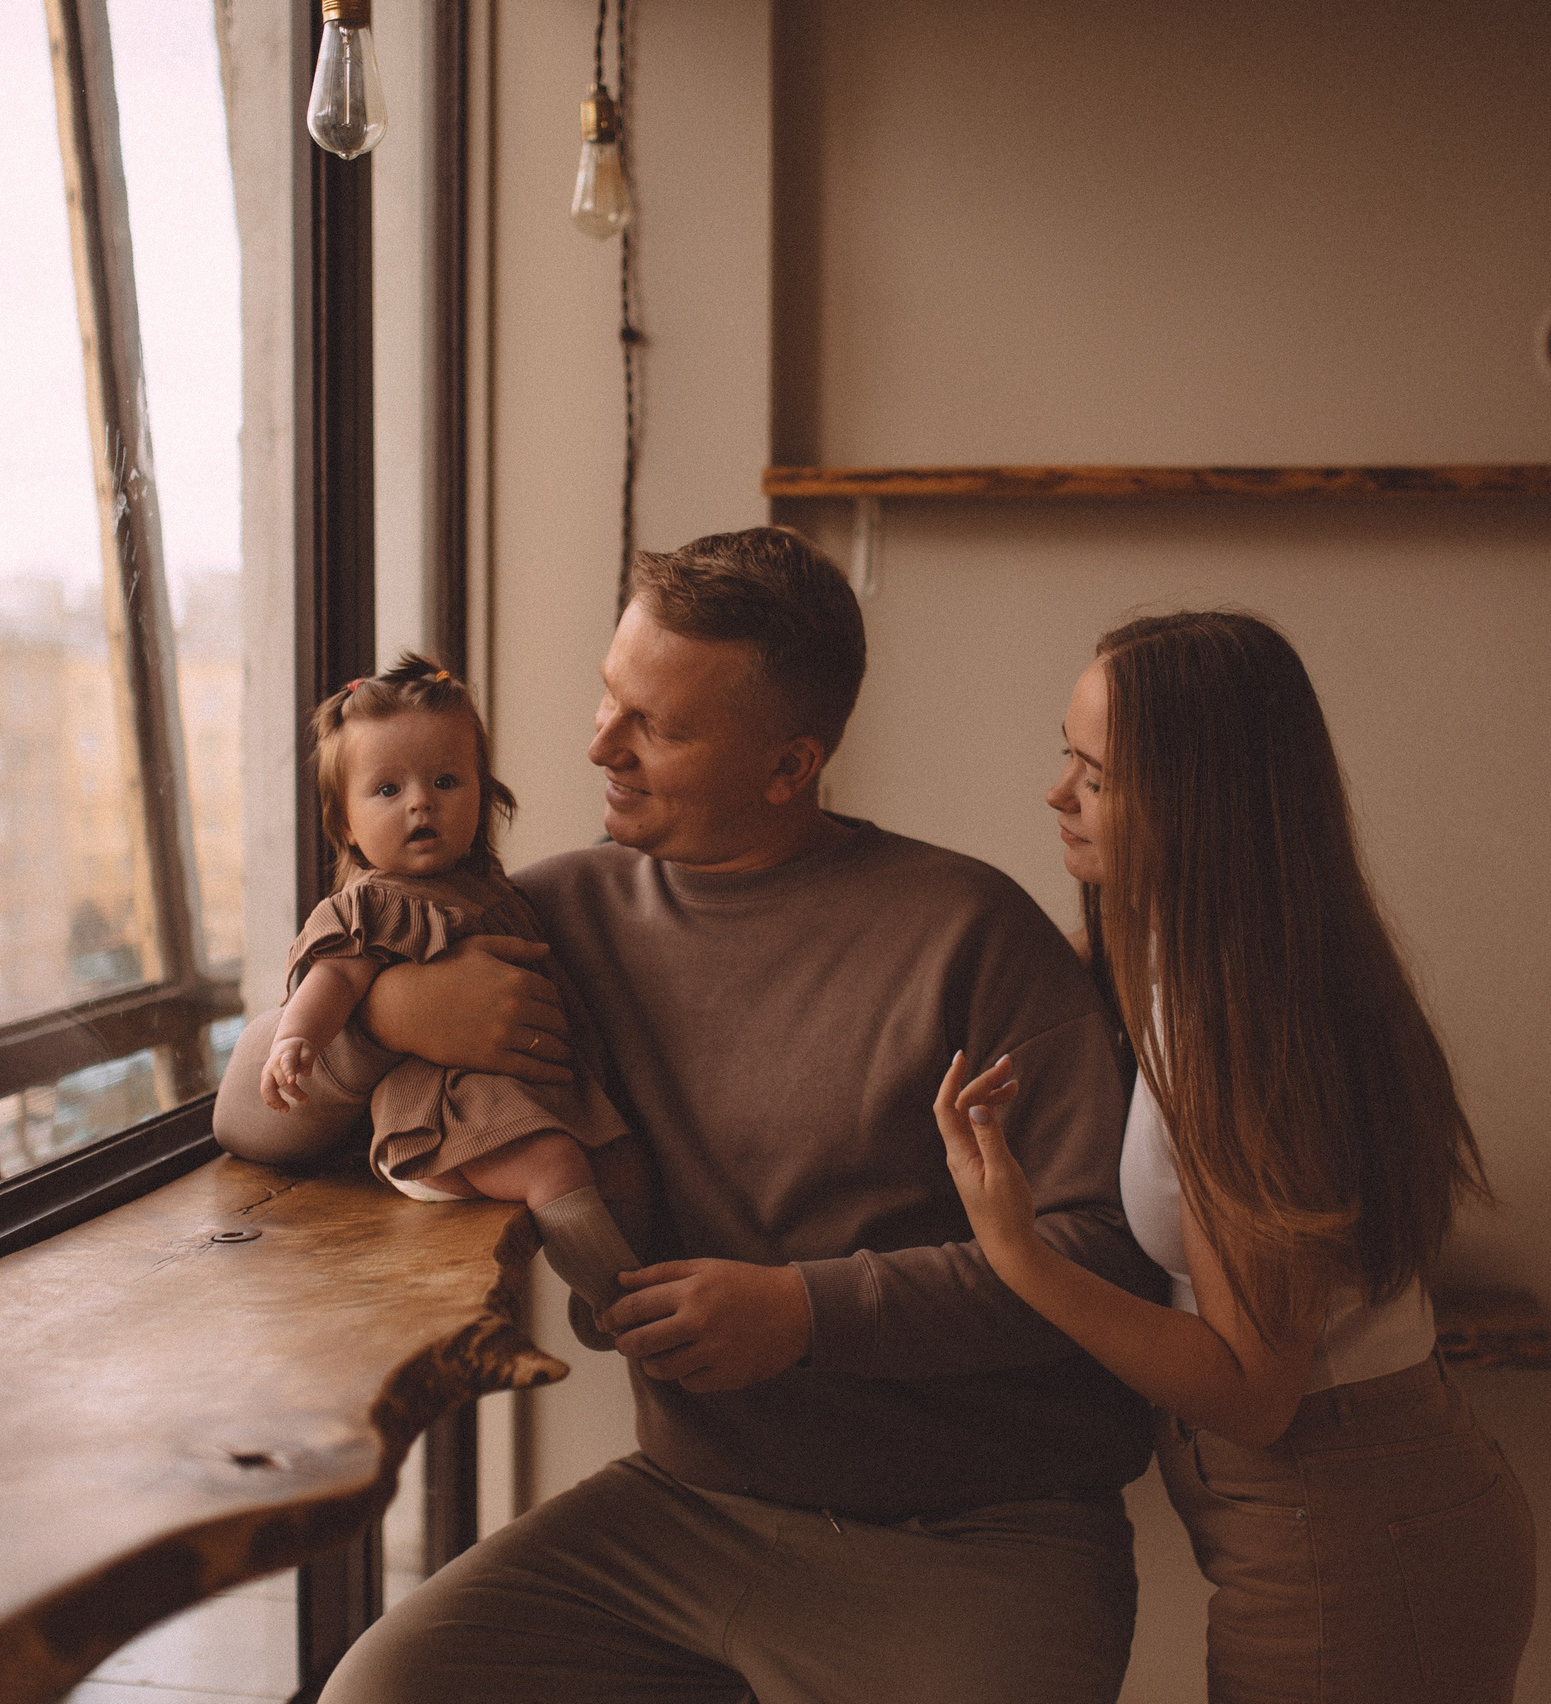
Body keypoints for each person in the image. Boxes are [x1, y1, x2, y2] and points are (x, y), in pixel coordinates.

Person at [214, 527, 1166, 1704]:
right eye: (610, 700)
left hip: (983, 1541)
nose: (598, 746)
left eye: (654, 728)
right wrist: (394, 1014)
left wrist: (804, 1313)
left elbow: (1104, 1256)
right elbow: (249, 1119)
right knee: (382, 1693)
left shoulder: (967, 934)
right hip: (687, 1517)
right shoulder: (542, 917)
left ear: (787, 767)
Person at [932, 611, 1537, 1704]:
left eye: (1097, 777)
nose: (1057, 794)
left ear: (1198, 809)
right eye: (1064, 753)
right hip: (1345, 1511)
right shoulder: (1176, 951)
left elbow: (1256, 1394)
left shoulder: (1237, 1032)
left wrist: (1019, 1256)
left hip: (1352, 1530)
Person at [262, 653, 645, 1330]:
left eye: (446, 780)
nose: (420, 802)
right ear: (345, 823)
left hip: (531, 1090)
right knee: (554, 1164)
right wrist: (296, 1039)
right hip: (442, 1118)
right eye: (387, 790)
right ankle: (622, 1311)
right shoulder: (371, 904)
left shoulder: (494, 890)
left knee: (623, 1164)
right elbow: (333, 979)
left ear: (483, 792)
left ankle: (618, 1286)